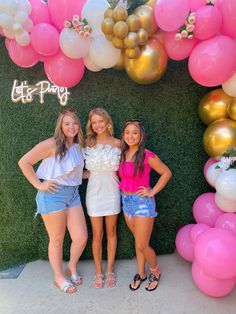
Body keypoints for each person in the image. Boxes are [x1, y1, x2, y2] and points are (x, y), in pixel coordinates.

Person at [18, 110, 88, 294]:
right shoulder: (51, 144)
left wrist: (102, 173)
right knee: (56, 239)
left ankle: (71, 266)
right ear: (60, 126)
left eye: (74, 123)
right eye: (67, 124)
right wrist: (38, 185)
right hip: (53, 195)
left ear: (79, 126)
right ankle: (59, 277)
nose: (71, 127)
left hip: (73, 195)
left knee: (81, 237)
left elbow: (75, 173)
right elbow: (24, 162)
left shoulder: (79, 145)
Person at [119, 119, 172, 292]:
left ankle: (155, 272)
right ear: (123, 135)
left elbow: (166, 173)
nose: (130, 136)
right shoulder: (122, 154)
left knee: (142, 245)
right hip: (126, 202)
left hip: (142, 204)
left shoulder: (148, 155)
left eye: (135, 132)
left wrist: (152, 191)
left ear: (141, 136)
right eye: (127, 132)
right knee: (139, 241)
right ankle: (141, 273)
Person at [84, 108, 121, 288]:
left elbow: (126, 169)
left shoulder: (118, 144)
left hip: (112, 191)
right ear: (91, 125)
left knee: (112, 231)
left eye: (101, 121)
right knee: (97, 234)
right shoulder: (86, 144)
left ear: (107, 122)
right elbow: (80, 171)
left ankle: (110, 269)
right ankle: (98, 270)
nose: (98, 125)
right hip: (94, 193)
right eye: (94, 122)